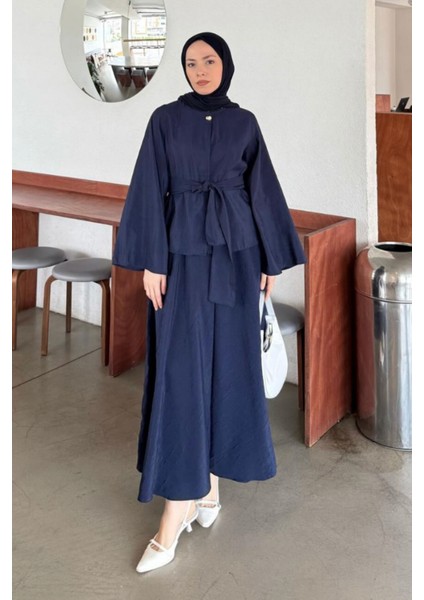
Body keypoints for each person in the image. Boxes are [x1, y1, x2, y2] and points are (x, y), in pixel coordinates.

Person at [112, 32, 306, 574]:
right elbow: (148, 187)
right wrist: (152, 261)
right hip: (181, 257)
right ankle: (177, 507)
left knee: (228, 370)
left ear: (226, 65)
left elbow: (262, 188)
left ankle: (211, 485)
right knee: (182, 375)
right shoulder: (164, 120)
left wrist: (270, 259)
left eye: (209, 60)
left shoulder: (244, 123)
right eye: (191, 62)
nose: (200, 69)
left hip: (238, 257)